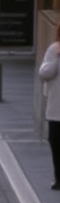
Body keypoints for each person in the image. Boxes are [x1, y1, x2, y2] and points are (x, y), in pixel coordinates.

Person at [38, 22, 60, 190]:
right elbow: (45, 73)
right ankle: (58, 176)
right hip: (56, 107)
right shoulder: (54, 50)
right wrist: (56, 60)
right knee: (55, 141)